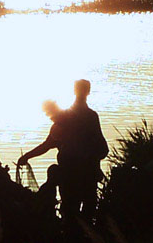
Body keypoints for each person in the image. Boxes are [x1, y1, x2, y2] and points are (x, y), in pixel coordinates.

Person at [18, 80, 109, 226]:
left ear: (74, 91)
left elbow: (47, 145)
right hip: (88, 174)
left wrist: (26, 156)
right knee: (87, 212)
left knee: (69, 211)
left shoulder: (63, 119)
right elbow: (103, 149)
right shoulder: (91, 117)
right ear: (88, 92)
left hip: (70, 174)